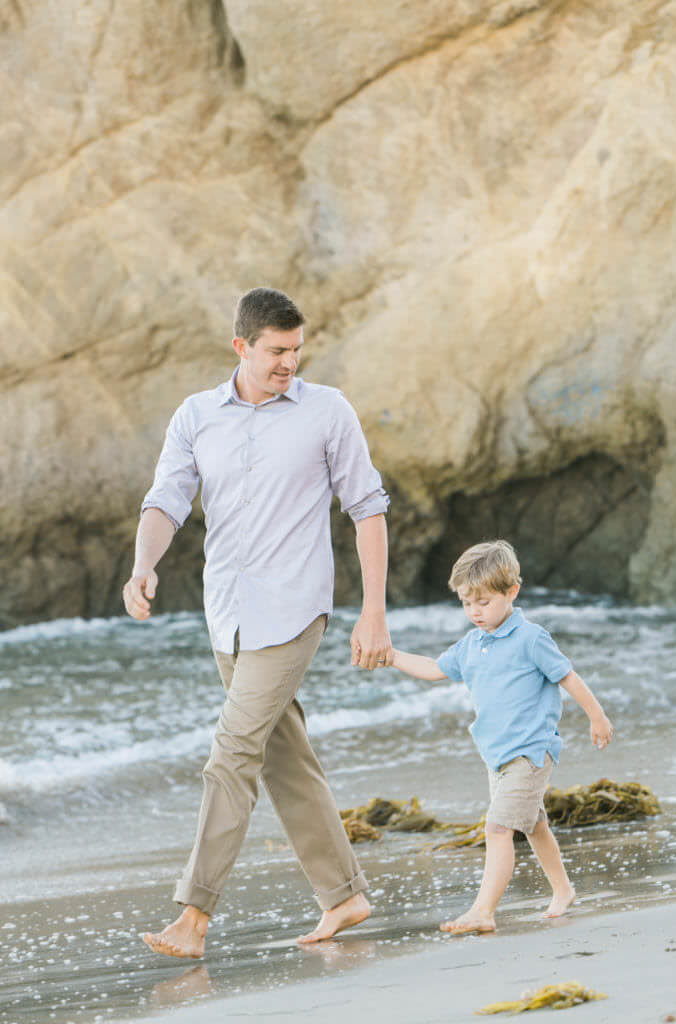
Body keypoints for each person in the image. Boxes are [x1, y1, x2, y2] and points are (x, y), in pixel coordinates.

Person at [122, 287, 392, 958]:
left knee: (231, 755)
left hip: (294, 609)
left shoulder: (326, 411)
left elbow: (367, 508)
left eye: (296, 350)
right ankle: (343, 894)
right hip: (228, 618)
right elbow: (167, 498)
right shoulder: (195, 416)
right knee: (282, 758)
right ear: (240, 346)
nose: (288, 363)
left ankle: (193, 915)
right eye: (275, 351)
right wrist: (143, 564)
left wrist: (374, 613)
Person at [387, 539, 613, 936]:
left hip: (531, 752)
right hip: (497, 756)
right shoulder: (472, 644)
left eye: (484, 602)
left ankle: (482, 911)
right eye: (466, 602)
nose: (474, 611)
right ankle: (563, 890)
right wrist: (390, 655)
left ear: (512, 592)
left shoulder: (531, 638)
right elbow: (434, 668)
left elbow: (567, 676)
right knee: (534, 825)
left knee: (498, 829)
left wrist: (596, 716)